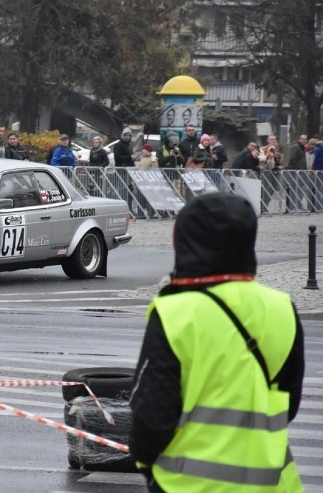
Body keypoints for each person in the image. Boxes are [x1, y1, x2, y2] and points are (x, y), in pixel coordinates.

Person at [129, 193, 305, 493]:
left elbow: (152, 417)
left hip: (188, 484)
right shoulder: (281, 307)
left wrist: (146, 465)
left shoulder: (177, 313)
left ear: (183, 241)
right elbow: (289, 404)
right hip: (273, 484)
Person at [286, 134, 308, 212]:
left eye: (305, 139)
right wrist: (293, 171)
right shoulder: (296, 147)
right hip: (296, 173)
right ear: (299, 139)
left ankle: (298, 205)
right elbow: (292, 159)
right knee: (295, 190)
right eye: (302, 139)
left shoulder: (302, 148)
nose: (304, 141)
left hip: (301, 173)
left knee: (299, 190)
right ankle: (293, 206)